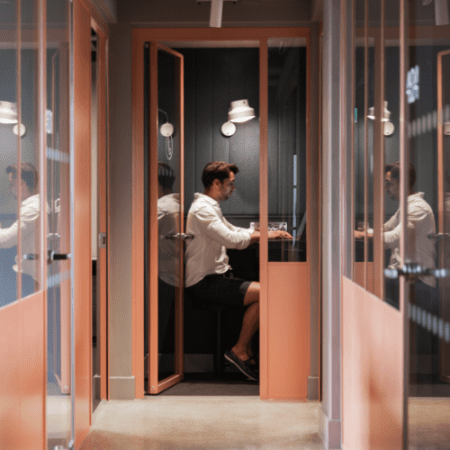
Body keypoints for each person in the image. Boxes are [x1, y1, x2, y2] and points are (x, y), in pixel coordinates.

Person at [185, 161, 292, 380]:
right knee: (266, 293)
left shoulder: (210, 206)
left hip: (216, 278)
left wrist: (263, 232)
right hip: (203, 283)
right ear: (216, 183)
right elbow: (232, 239)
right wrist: (266, 235)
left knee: (265, 292)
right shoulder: (203, 210)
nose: (233, 189)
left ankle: (245, 351)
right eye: (230, 184)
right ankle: (239, 350)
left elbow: (232, 229)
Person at [354, 162, 437, 308]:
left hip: (416, 285)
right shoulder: (405, 207)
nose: (386, 188)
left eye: (389, 183)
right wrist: (363, 233)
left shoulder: (418, 209)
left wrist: (360, 235)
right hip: (403, 280)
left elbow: (393, 238)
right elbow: (385, 228)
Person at [0, 162, 40, 305]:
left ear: (21, 184)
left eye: (12, 184)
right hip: (26, 275)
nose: (10, 189)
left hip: (29, 278)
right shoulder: (32, 206)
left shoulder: (33, 210)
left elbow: (7, 240)